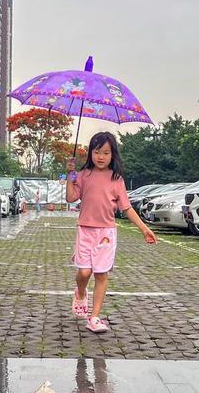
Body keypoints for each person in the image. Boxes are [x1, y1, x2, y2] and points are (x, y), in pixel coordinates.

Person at [66, 131, 157, 333]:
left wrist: (144, 229)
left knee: (101, 274)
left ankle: (94, 317)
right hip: (85, 230)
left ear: (112, 155)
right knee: (84, 272)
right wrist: (70, 176)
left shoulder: (117, 179)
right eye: (97, 151)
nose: (101, 157)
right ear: (90, 153)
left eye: (106, 153)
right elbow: (71, 198)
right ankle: (80, 293)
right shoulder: (82, 175)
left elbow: (127, 208)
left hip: (106, 232)